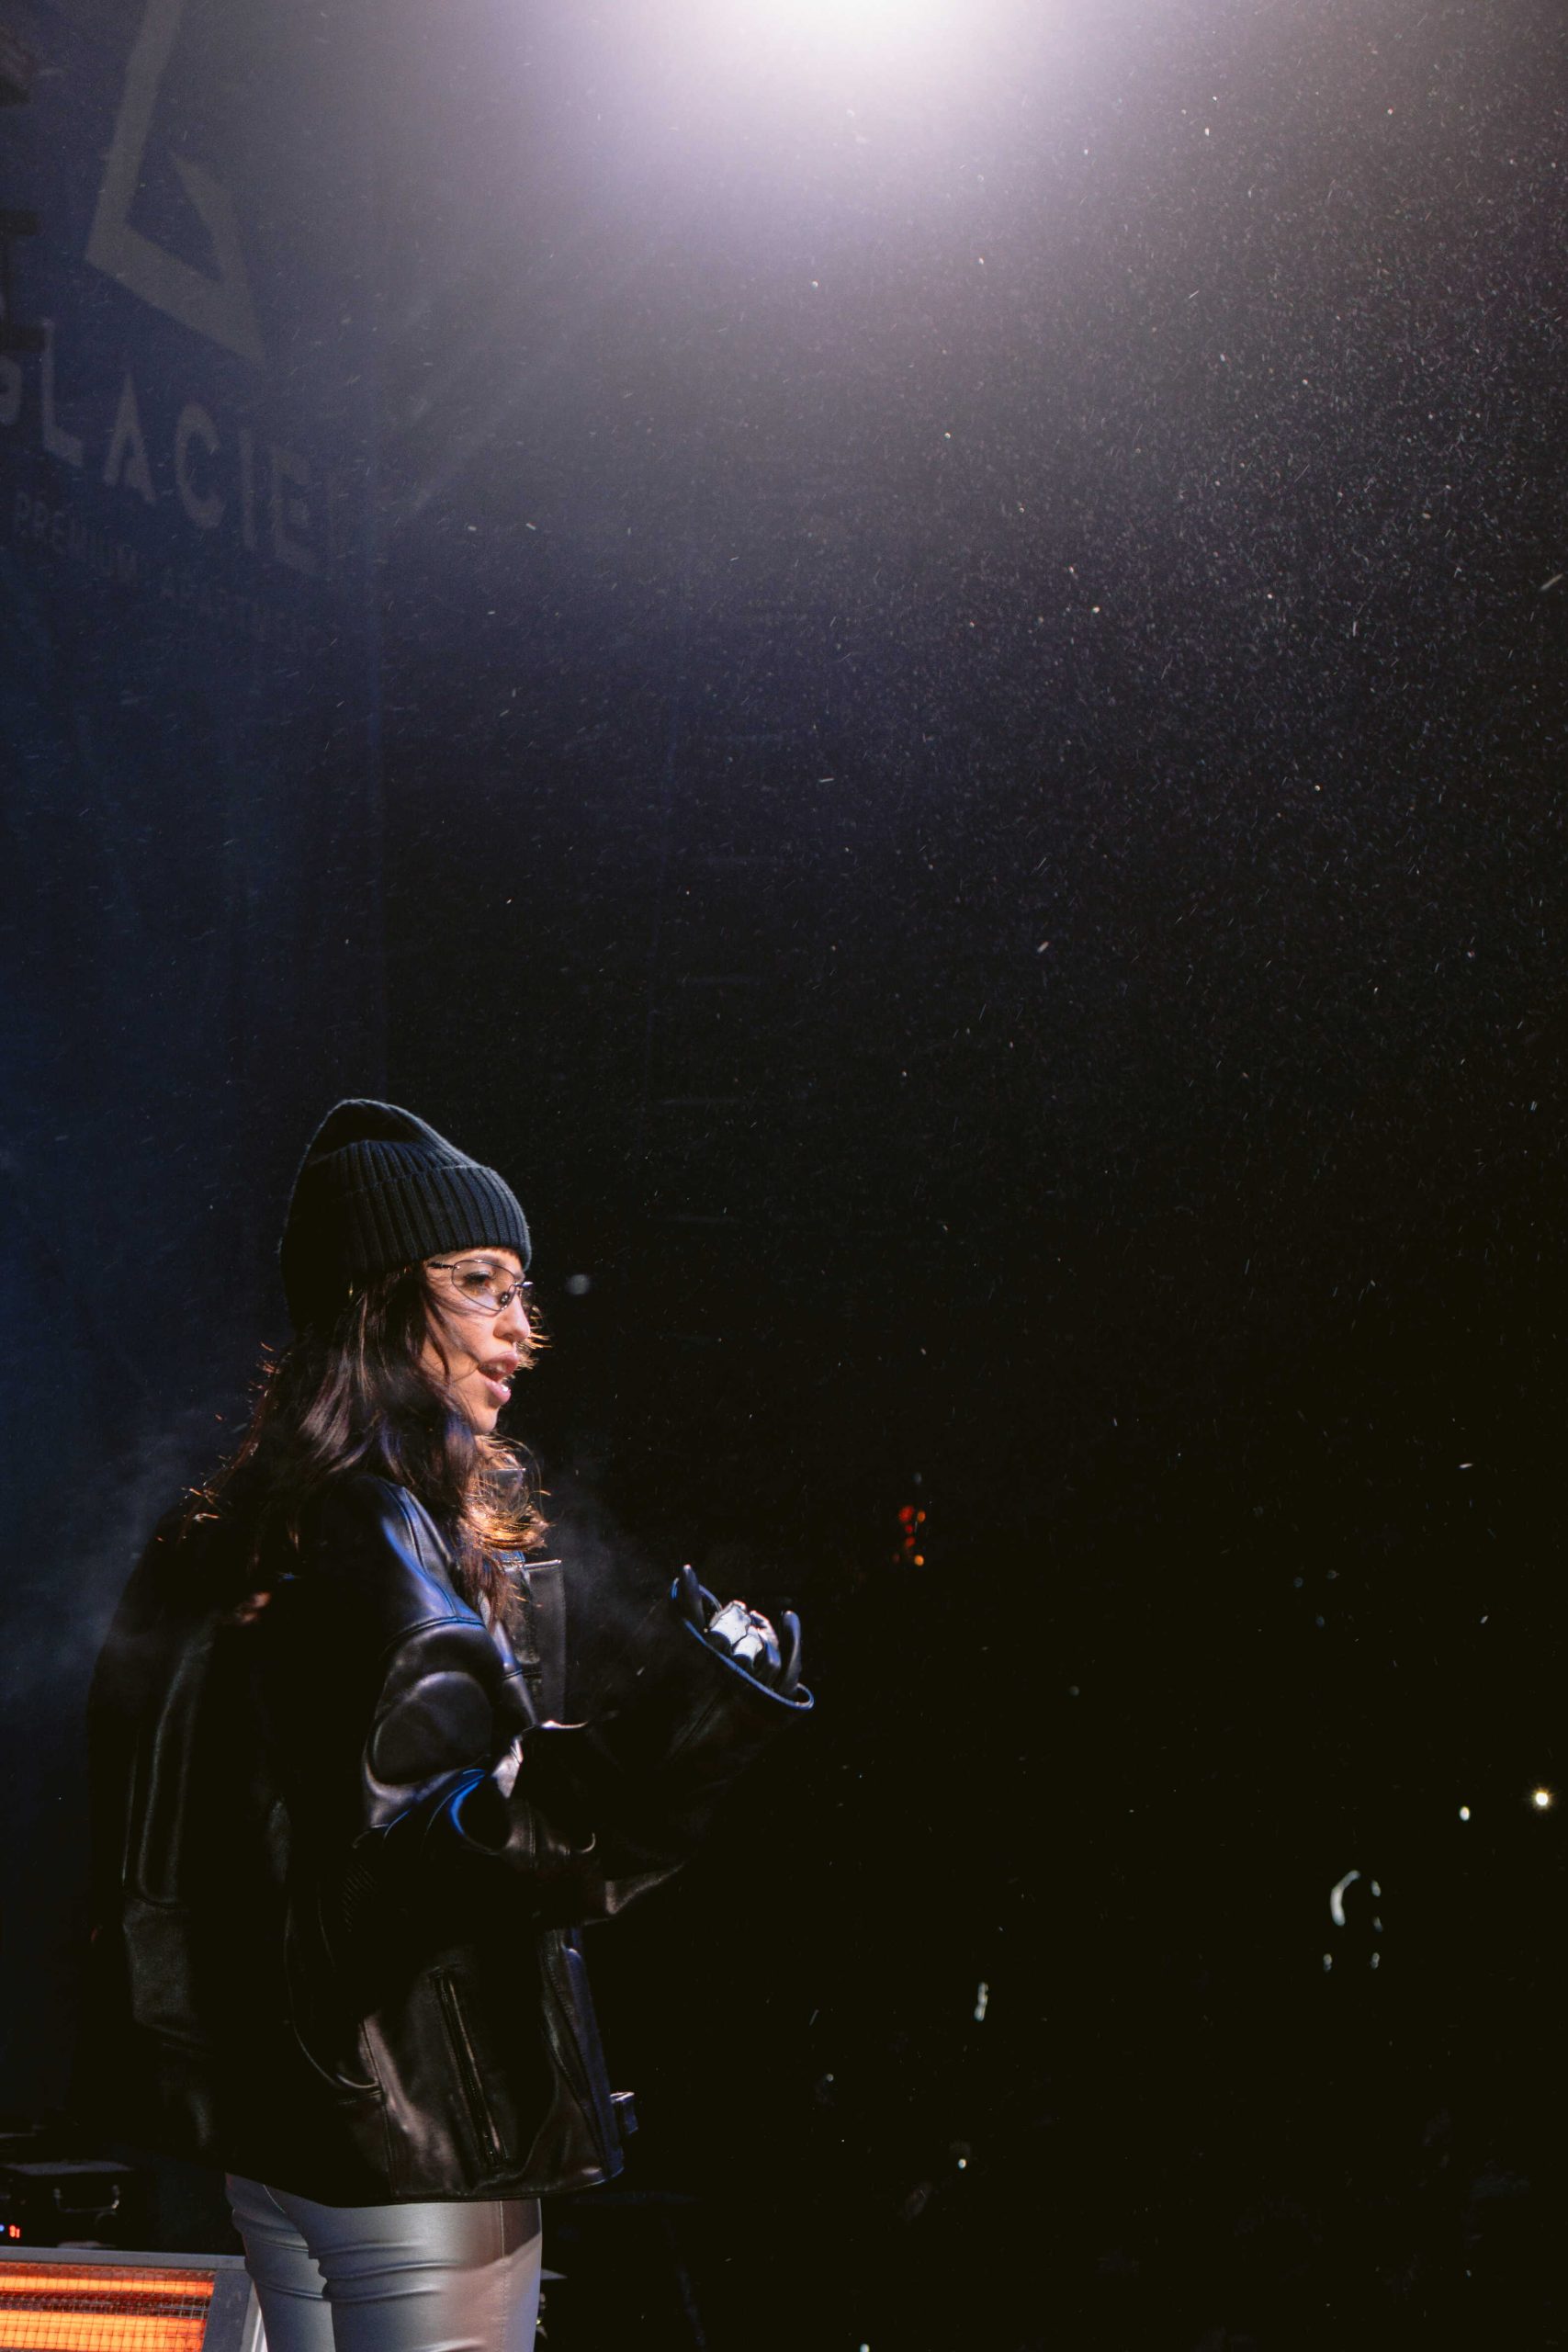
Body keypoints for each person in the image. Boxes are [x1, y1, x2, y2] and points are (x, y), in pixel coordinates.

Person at [84, 1100, 812, 2352]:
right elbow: (436, 1862)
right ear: (375, 1301)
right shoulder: (376, 1532)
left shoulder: (236, 1532)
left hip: (283, 2142)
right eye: (479, 1283)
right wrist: (693, 1728)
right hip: (408, 2152)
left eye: (520, 1289)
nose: (523, 1327)